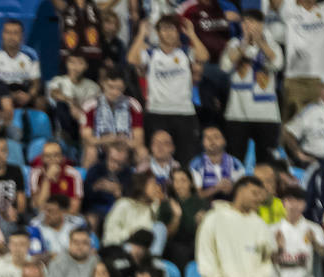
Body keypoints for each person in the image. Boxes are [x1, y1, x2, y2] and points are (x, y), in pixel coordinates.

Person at [128, 16, 209, 165]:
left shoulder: (185, 53)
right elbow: (132, 59)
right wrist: (141, 35)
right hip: (157, 113)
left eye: (172, 28)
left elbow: (204, 56)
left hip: (184, 113)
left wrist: (192, 34)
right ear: (158, 33)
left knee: (186, 159)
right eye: (164, 28)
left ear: (178, 32)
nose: (169, 33)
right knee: (157, 159)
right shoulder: (151, 54)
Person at [222, 9, 283, 163]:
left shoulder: (272, 45)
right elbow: (226, 66)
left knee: (267, 163)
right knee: (235, 161)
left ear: (262, 25)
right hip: (237, 114)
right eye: (245, 22)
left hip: (266, 115)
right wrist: (244, 44)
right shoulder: (234, 44)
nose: (248, 26)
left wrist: (260, 42)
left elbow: (277, 63)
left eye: (253, 22)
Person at [81, 65, 145, 168]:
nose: (114, 92)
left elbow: (138, 140)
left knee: (142, 152)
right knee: (90, 151)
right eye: (111, 87)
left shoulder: (134, 105)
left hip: (125, 147)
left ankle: (140, 182)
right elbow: (87, 139)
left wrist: (124, 143)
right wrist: (107, 140)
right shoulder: (90, 105)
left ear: (124, 87)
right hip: (101, 148)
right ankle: (87, 182)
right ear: (103, 84)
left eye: (119, 88)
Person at [283, 73, 324, 168]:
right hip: (314, 161)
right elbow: (289, 133)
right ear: (320, 91)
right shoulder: (310, 111)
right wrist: (298, 153)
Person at [188, 126, 245, 198]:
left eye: (216, 137)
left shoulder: (236, 163)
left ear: (225, 141)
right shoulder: (195, 164)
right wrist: (217, 188)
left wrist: (231, 187)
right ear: (202, 142)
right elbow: (196, 195)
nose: (212, 141)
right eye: (207, 138)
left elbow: (243, 191)